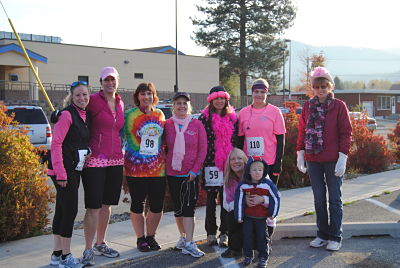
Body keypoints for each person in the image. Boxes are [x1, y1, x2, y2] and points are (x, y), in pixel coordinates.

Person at [296, 66, 352, 251]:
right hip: (313, 160)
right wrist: (300, 153)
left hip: (333, 160)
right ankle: (322, 234)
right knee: (319, 199)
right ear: (313, 88)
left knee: (335, 199)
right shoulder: (307, 106)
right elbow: (302, 131)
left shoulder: (339, 106)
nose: (320, 89)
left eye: (324, 86)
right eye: (317, 86)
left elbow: (346, 132)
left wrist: (343, 157)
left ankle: (335, 236)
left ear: (330, 87)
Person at [81, 67, 125, 266]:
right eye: (106, 80)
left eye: (112, 80)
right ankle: (88, 249)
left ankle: (101, 243)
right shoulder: (92, 100)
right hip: (96, 159)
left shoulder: (120, 102)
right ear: (100, 82)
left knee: (106, 205)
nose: (109, 83)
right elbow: (76, 112)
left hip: (116, 159)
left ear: (117, 81)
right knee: (93, 207)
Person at [48, 81, 90, 268]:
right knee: (70, 211)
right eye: (78, 95)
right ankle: (66, 256)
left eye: (85, 95)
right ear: (71, 97)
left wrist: (87, 150)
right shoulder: (66, 115)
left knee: (62, 210)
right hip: (63, 171)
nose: (82, 98)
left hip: (73, 168)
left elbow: (76, 141)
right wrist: (61, 174)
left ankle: (57, 255)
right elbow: (56, 144)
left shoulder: (84, 115)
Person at [238, 78, 286, 237]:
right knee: (251, 199)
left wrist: (278, 163)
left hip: (269, 163)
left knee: (268, 198)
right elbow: (240, 139)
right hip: (250, 164)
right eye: (256, 91)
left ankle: (268, 233)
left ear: (267, 93)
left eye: (262, 92)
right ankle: (253, 235)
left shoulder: (274, 111)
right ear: (252, 92)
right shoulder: (244, 112)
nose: (259, 95)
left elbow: (280, 139)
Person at [124, 82, 166, 252]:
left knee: (157, 205)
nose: (146, 97)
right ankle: (140, 239)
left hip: (157, 168)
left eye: (149, 94)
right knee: (137, 204)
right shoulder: (129, 115)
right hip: (136, 168)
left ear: (153, 96)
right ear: (137, 97)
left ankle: (151, 236)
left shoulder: (160, 114)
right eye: (143, 94)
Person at [164, 92, 207, 258]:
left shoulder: (196, 125)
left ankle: (189, 242)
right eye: (178, 103)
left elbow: (202, 150)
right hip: (173, 173)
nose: (181, 106)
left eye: (184, 103)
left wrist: (195, 170)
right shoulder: (167, 124)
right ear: (173, 106)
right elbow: (162, 147)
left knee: (189, 209)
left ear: (188, 105)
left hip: (190, 174)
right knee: (178, 208)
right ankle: (183, 237)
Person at [198, 86, 238, 247]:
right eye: (216, 98)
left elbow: (237, 141)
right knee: (210, 200)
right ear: (211, 100)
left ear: (226, 100)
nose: (220, 101)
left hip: (228, 164)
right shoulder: (203, 119)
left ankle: (225, 232)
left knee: (226, 199)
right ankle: (210, 233)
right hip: (210, 165)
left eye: (222, 98)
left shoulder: (233, 118)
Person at [234, 156, 280, 268]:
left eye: (260, 170)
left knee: (262, 237)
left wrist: (272, 214)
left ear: (264, 171)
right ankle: (248, 255)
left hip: (262, 218)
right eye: (254, 170)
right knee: (247, 236)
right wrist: (239, 216)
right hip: (248, 217)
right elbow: (238, 199)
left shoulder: (267, 184)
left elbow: (276, 197)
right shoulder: (244, 184)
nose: (257, 172)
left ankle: (263, 256)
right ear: (248, 171)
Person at [221, 148, 248, 258]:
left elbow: (270, 197)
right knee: (231, 215)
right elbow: (226, 205)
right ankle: (235, 248)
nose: (236, 161)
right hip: (241, 214)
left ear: (245, 160)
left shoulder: (255, 172)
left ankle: (264, 244)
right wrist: (243, 202)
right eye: (233, 159)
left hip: (258, 216)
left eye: (239, 158)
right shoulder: (229, 180)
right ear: (229, 162)